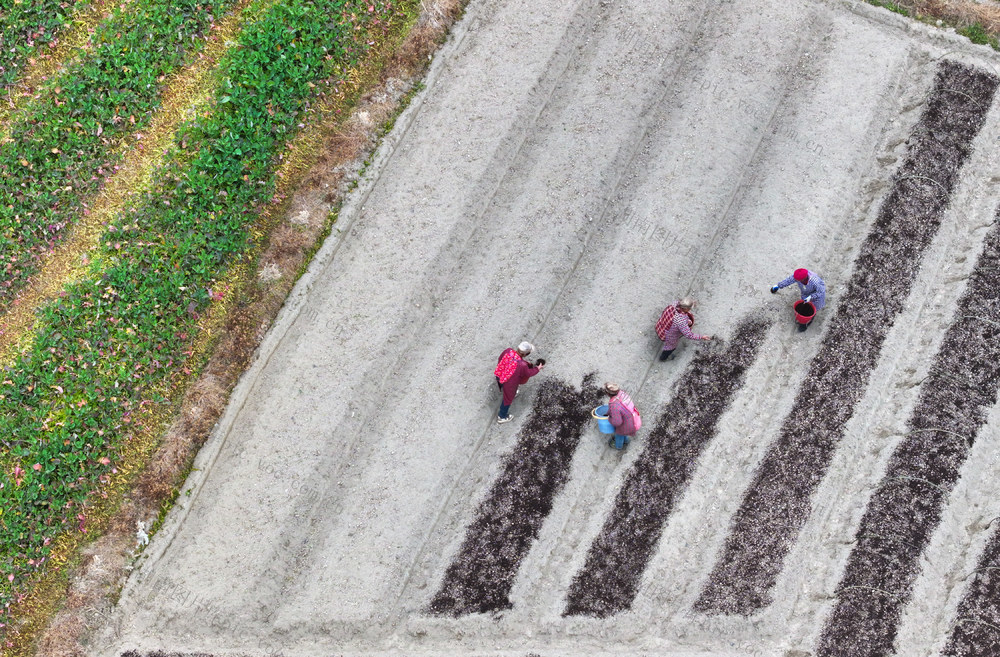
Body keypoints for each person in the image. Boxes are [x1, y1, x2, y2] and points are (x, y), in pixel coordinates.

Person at [494, 342, 544, 424]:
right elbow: (528, 373)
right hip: (509, 383)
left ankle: (503, 388)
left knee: (502, 384)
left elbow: (500, 359)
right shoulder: (522, 365)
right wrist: (537, 368)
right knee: (508, 399)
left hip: (500, 374)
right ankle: (502, 416)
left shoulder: (508, 351)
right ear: (525, 354)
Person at [604, 382, 640, 450]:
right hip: (630, 420)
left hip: (624, 425)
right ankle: (626, 441)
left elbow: (617, 422)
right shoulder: (622, 393)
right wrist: (608, 412)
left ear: (608, 394)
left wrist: (609, 418)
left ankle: (618, 446)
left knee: (619, 435)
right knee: (624, 434)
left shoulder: (614, 405)